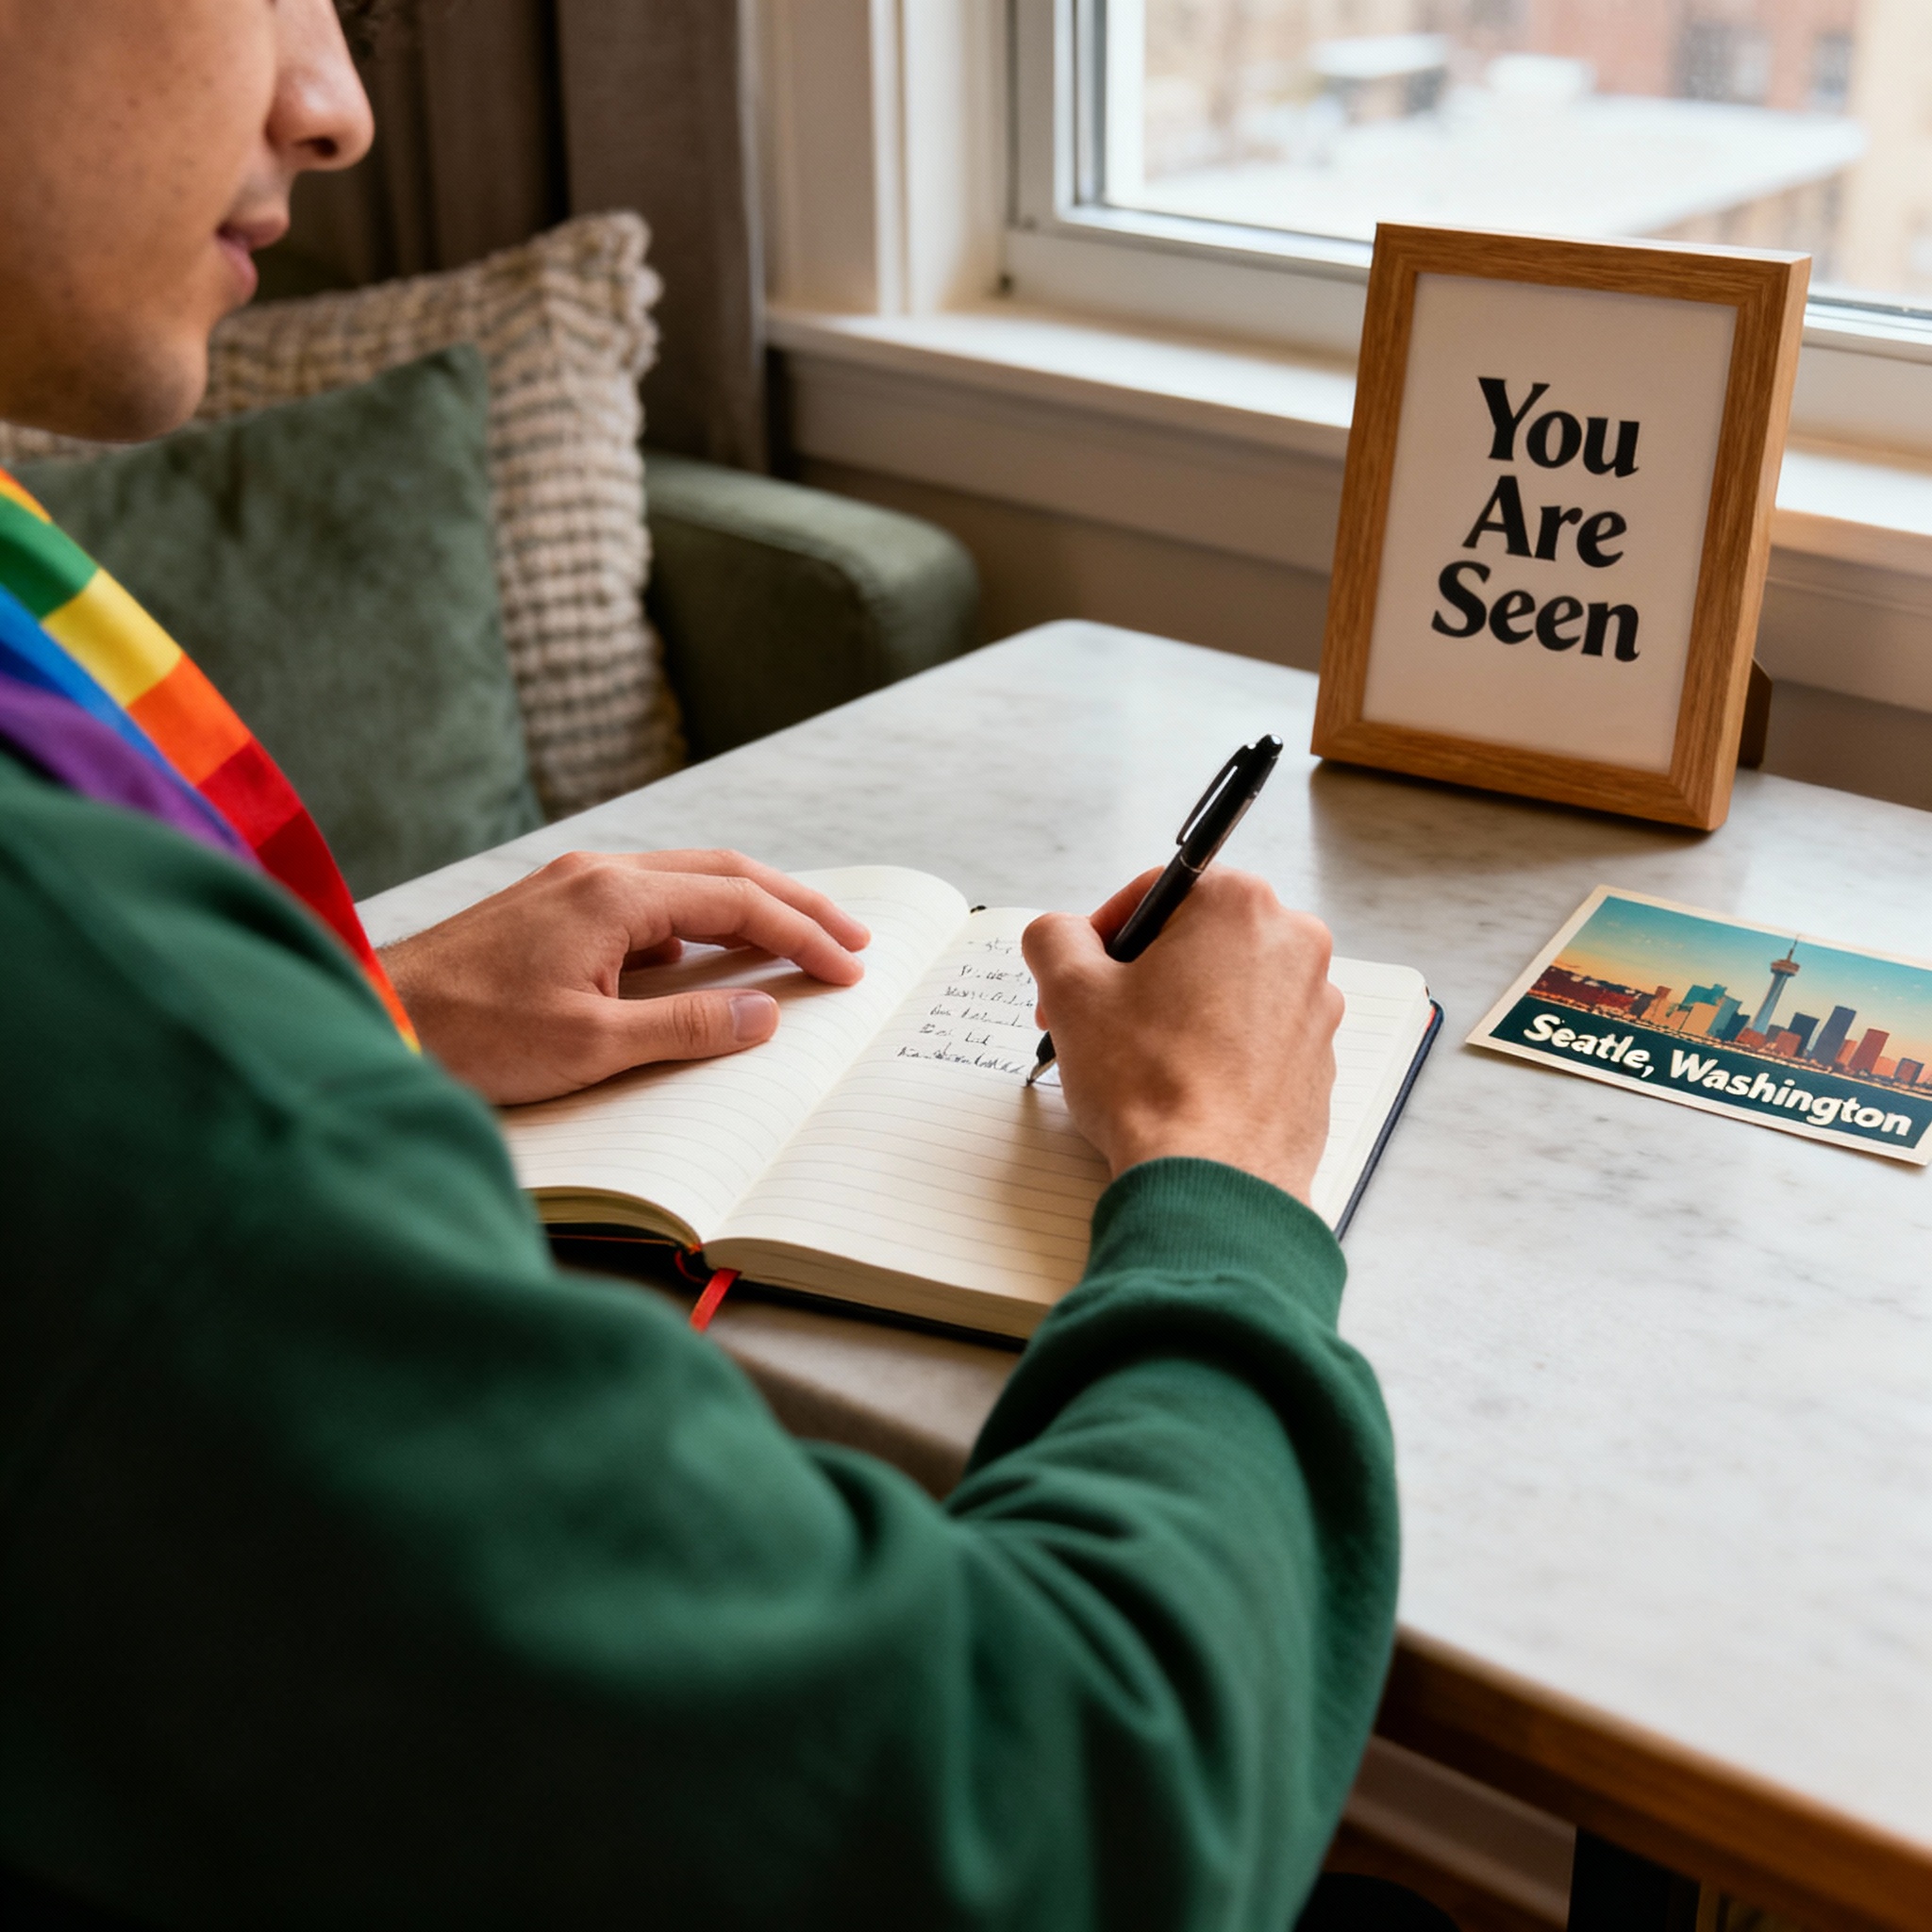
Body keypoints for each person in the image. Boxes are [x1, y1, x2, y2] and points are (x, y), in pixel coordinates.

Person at [0, 3, 1409, 1926]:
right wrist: (1222, 1181)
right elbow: (1069, 1817)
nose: (333, 109)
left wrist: (366, 1013)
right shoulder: (80, 991)